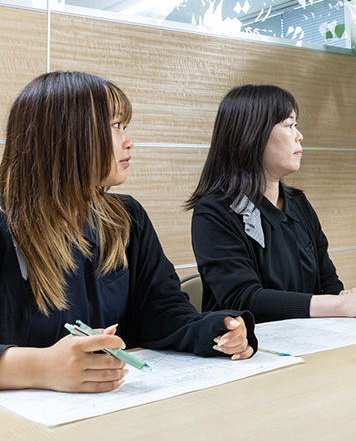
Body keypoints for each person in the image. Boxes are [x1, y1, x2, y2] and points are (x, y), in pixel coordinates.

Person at [0, 72, 257, 394]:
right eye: (116, 125)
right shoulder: (5, 225)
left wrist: (218, 330)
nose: (128, 141)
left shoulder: (126, 217)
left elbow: (161, 311)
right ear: (66, 135)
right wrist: (41, 367)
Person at [188, 84, 356, 322]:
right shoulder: (214, 212)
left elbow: (328, 283)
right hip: (250, 342)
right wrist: (338, 304)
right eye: (289, 125)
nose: (299, 136)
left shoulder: (298, 204)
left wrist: (352, 298)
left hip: (309, 337)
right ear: (253, 135)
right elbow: (244, 299)